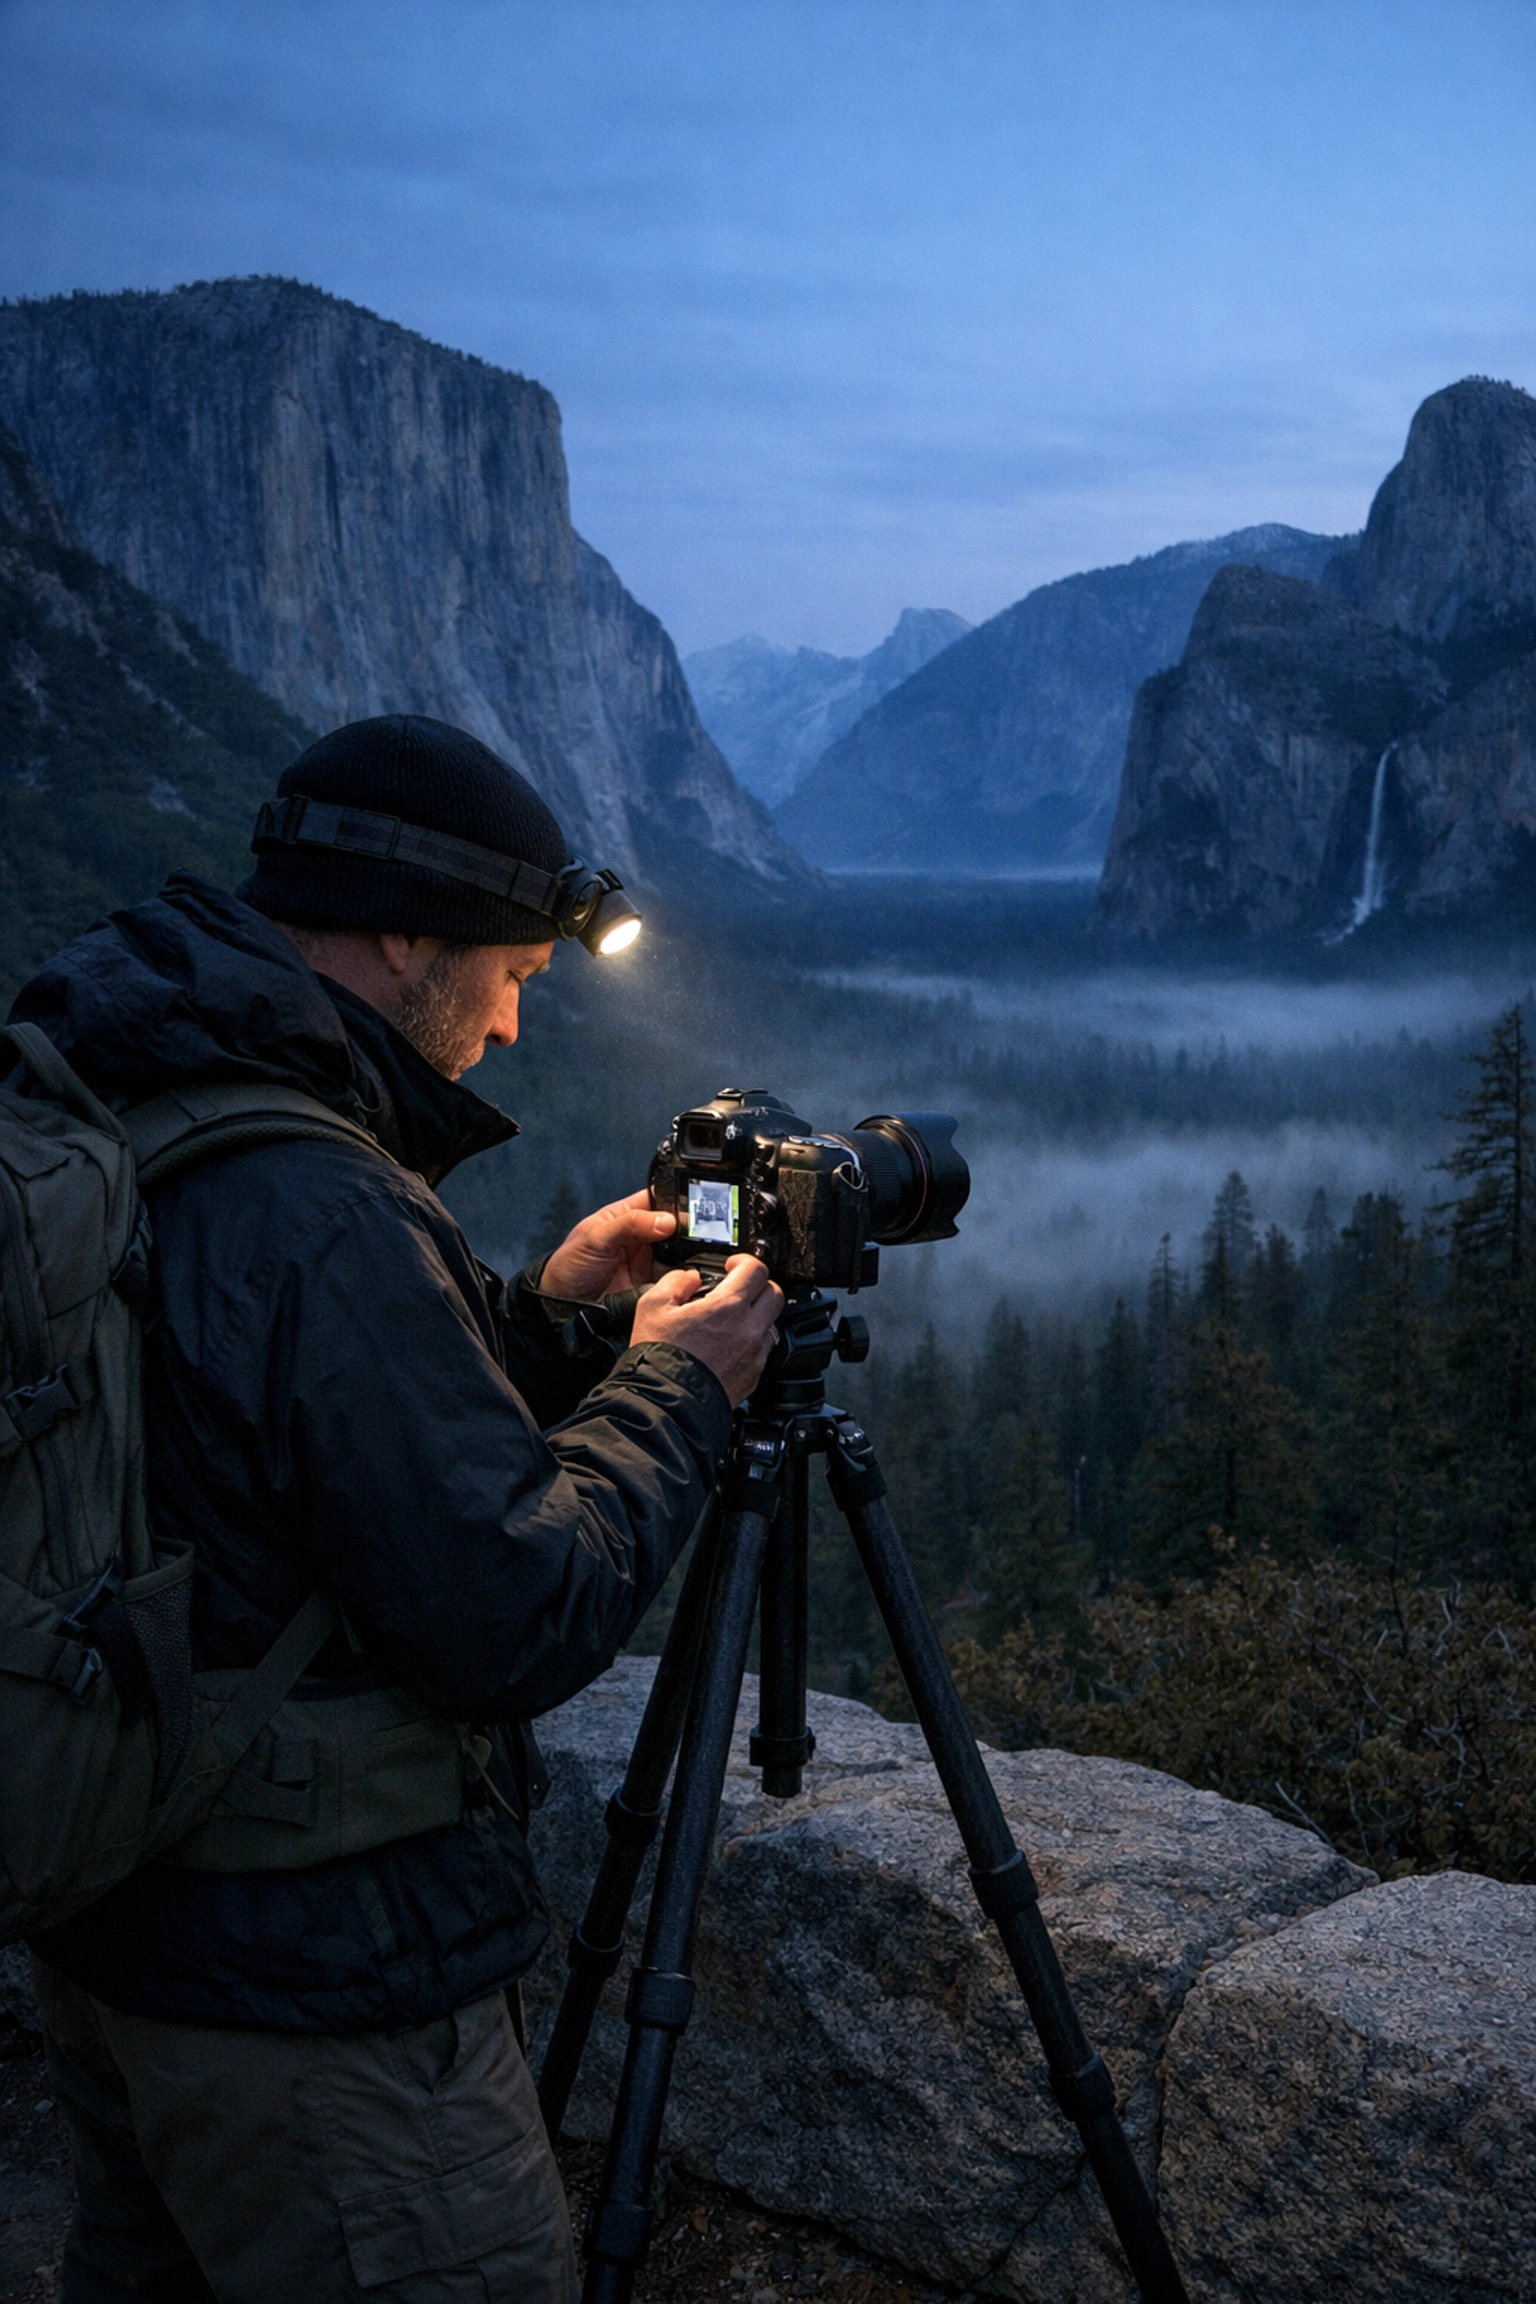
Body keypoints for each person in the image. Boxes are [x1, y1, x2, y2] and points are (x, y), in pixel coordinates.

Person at [10, 714, 783, 2304]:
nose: (506, 1029)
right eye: (509, 974)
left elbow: (245, 1446)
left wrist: (557, 1323)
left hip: (120, 1938)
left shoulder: (133, 1087)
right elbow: (508, 1612)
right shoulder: (321, 1200)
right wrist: (681, 1387)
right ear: (401, 931)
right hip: (323, 2003)